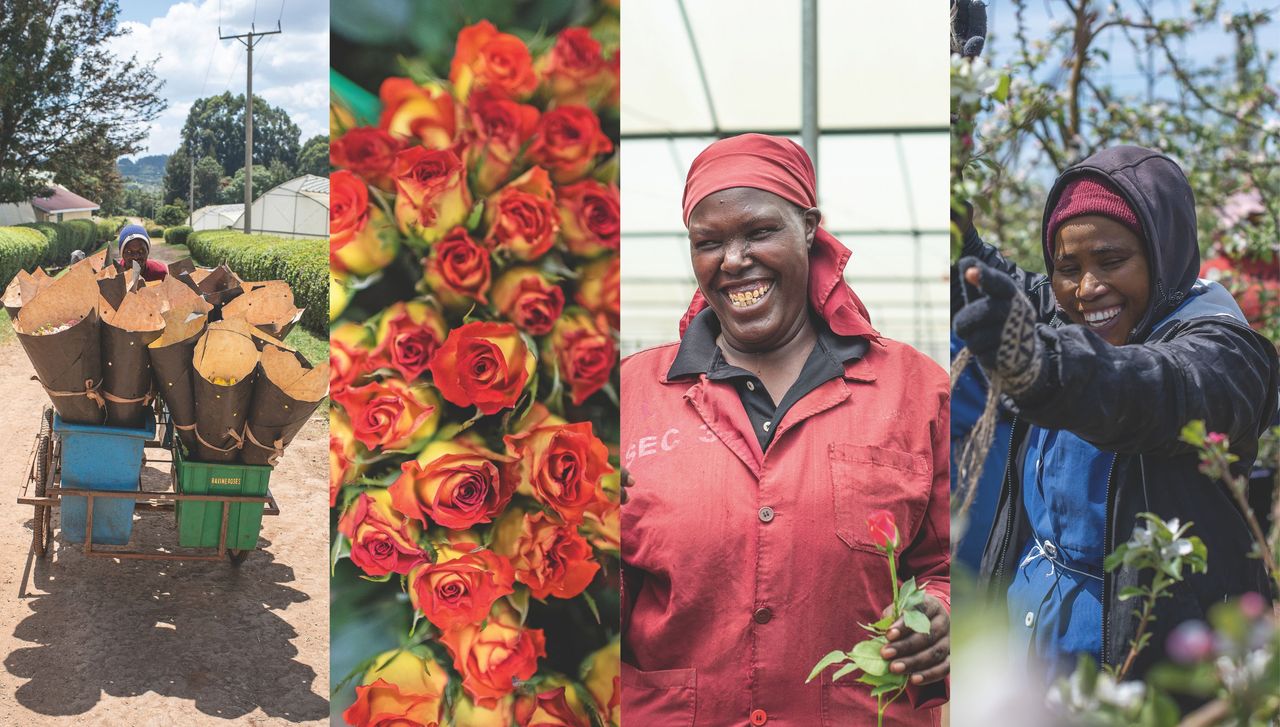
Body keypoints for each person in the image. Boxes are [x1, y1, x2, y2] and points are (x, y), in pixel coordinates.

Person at [621, 134, 951, 725]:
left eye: (759, 232)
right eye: (709, 243)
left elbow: (950, 562)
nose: (733, 259)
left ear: (808, 228)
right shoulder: (632, 398)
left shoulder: (918, 391)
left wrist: (945, 614)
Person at [953, 145, 1279, 682]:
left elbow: (1156, 388)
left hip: (1137, 669)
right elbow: (986, 271)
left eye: (1111, 261)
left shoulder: (1226, 353)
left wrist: (1042, 366)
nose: (1087, 289)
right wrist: (954, 189)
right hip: (1030, 647)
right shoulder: (1065, 315)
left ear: (1162, 251)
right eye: (1068, 267)